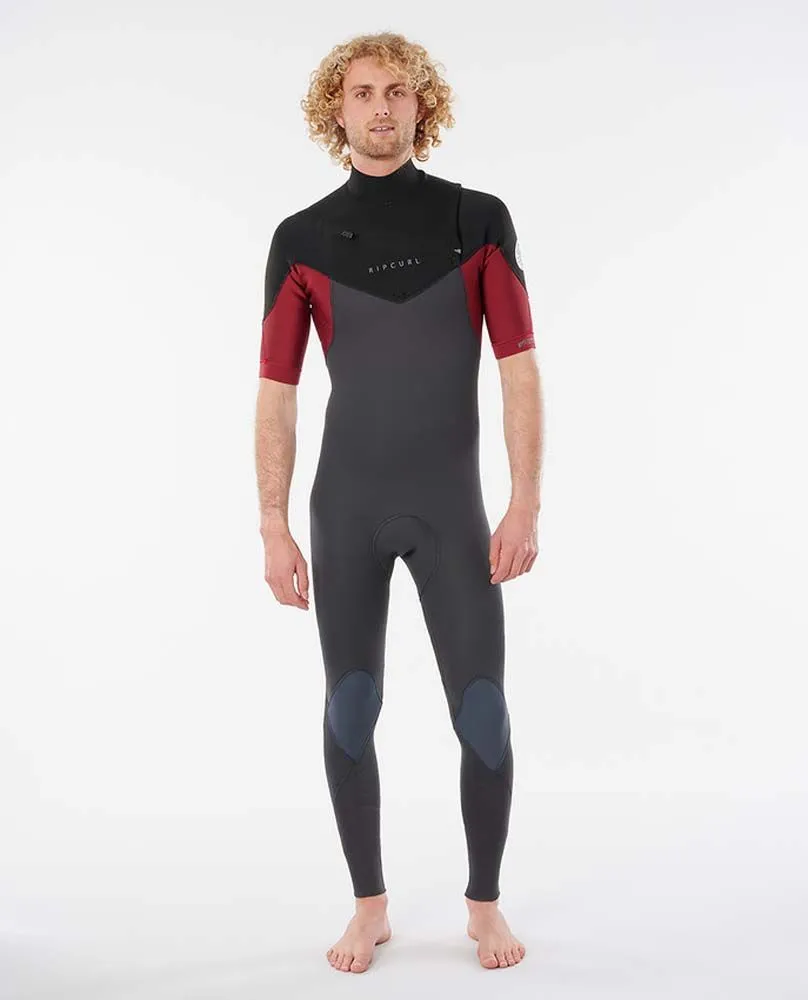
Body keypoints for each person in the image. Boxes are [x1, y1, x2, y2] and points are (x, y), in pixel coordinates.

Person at [254, 31, 543, 973]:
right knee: (350, 707)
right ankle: (369, 905)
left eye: (398, 91)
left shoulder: (478, 220)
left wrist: (525, 502)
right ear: (335, 110)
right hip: (347, 507)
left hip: (452, 509)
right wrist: (272, 523)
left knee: (483, 712)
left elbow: (519, 369)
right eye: (362, 92)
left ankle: (484, 905)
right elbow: (277, 390)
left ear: (424, 105)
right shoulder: (299, 240)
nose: (381, 106)